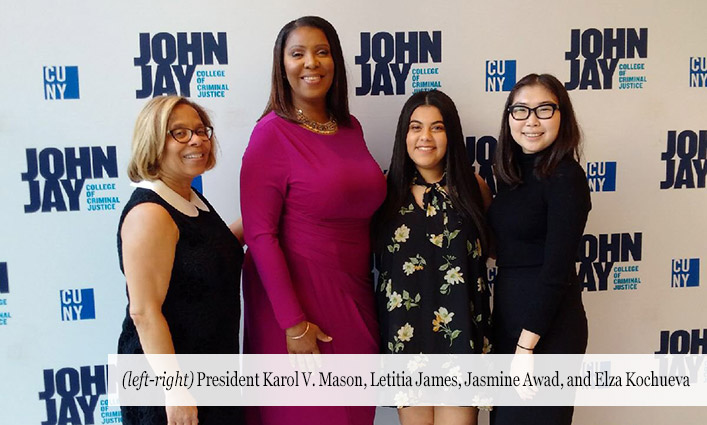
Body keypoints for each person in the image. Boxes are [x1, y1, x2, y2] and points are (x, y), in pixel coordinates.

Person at [239, 16, 386, 425]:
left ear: (335, 62)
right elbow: (260, 235)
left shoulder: (350, 127)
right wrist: (293, 323)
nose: (311, 63)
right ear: (281, 64)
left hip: (355, 295)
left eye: (322, 52)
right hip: (297, 304)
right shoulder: (271, 133)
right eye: (298, 53)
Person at [117, 96, 243, 425]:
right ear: (154, 141)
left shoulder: (189, 197)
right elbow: (144, 311)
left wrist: (274, 209)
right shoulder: (150, 212)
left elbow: (213, 249)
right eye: (180, 133)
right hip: (169, 383)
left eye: (201, 130)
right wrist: (175, 391)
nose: (198, 140)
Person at [374, 89, 492, 425]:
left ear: (451, 134)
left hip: (461, 338)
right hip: (405, 337)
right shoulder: (385, 189)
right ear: (404, 134)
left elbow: (502, 247)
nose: (425, 137)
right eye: (416, 127)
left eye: (437, 127)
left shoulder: (473, 187)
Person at [488, 73, 591, 425]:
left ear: (562, 116)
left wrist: (526, 347)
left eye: (544, 109)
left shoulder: (566, 177)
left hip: (546, 333)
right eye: (520, 110)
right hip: (510, 325)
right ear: (509, 118)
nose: (531, 121)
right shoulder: (512, 175)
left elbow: (556, 270)